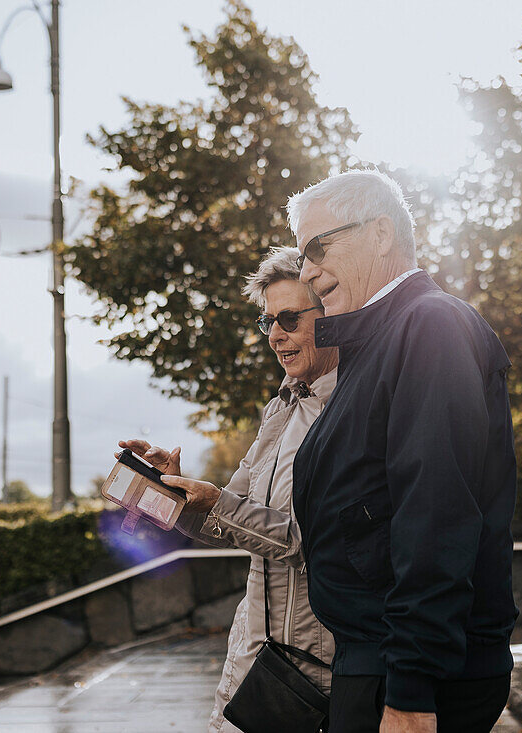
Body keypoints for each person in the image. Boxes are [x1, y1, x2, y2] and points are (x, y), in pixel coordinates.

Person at [288, 170, 518, 733]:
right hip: (378, 663)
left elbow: (436, 512)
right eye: (302, 257)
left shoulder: (429, 325)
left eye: (318, 248)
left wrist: (412, 690)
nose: (308, 272)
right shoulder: (379, 342)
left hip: (410, 678)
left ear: (382, 234)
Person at [118, 247, 338, 733]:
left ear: (331, 318)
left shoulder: (350, 411)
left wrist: (219, 501)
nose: (276, 335)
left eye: (289, 319)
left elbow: (310, 543)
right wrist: (178, 493)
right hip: (250, 655)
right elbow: (227, 525)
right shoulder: (279, 409)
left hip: (310, 670)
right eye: (268, 322)